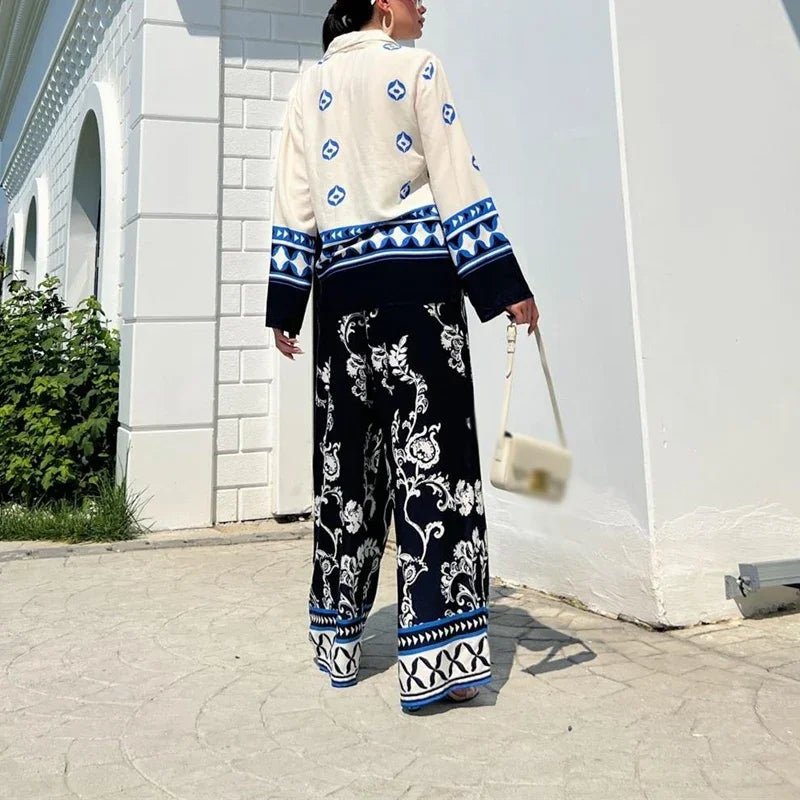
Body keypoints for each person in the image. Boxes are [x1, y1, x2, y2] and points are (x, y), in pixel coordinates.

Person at [265, 0, 539, 712]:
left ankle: (338, 648)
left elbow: (295, 201)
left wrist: (286, 305)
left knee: (346, 473)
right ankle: (439, 668)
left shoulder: (306, 87)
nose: (424, 7)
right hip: (418, 298)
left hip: (339, 303)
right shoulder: (418, 67)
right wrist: (504, 285)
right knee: (436, 473)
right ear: (382, 2)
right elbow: (455, 177)